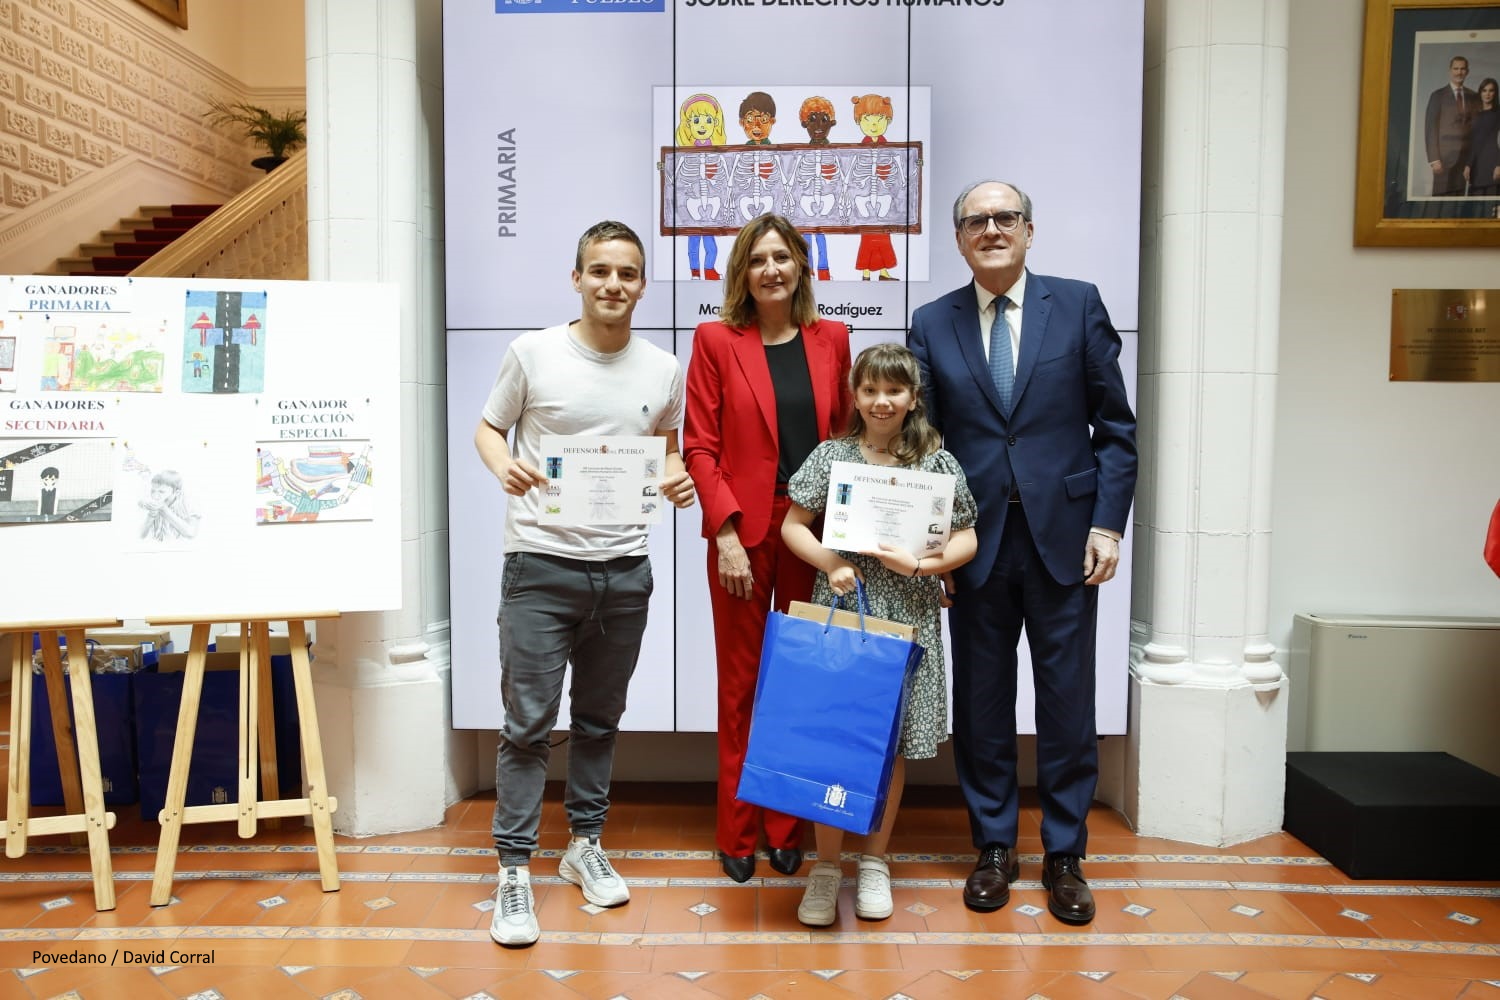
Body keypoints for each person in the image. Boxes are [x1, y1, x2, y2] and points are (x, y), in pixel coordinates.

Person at [908, 181, 1137, 925]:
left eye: (1007, 218)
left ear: (1030, 231)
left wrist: (1107, 524)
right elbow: (925, 448)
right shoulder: (931, 322)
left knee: (1068, 701)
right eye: (978, 220)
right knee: (982, 702)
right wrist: (932, 547)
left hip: (1066, 541)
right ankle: (995, 847)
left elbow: (1117, 429)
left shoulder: (1076, 304)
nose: (993, 229)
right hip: (976, 545)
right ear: (959, 238)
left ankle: (1065, 854)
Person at [474, 220, 697, 947]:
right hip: (539, 568)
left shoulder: (663, 367)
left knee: (600, 722)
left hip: (625, 572)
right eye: (599, 271)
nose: (613, 285)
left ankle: (583, 845)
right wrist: (499, 463)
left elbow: (666, 448)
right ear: (577, 278)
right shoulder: (533, 353)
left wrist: (673, 478)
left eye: (627, 274)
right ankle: (513, 869)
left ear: (641, 283)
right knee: (528, 726)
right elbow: (488, 427)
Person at [781, 342, 977, 926]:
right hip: (844, 614)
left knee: (888, 749)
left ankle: (874, 863)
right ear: (855, 396)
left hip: (909, 619)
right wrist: (830, 564)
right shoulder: (832, 457)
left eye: (894, 390)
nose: (882, 401)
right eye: (870, 390)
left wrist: (923, 567)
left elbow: (967, 538)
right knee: (833, 739)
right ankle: (825, 866)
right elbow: (793, 525)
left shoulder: (937, 462)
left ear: (913, 397)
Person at [684, 213, 852, 883]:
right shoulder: (716, 340)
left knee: (800, 682)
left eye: (782, 257)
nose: (772, 270)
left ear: (802, 267)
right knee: (741, 687)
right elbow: (699, 445)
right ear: (742, 274)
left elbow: (845, 442)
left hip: (811, 531)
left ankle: (786, 829)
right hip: (743, 534)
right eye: (758, 260)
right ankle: (737, 831)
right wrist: (724, 534)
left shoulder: (832, 338)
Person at [676, 94, 726, 280]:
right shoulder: (684, 157)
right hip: (692, 207)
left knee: (710, 243)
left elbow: (722, 179)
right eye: (696, 120)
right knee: (693, 242)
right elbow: (679, 182)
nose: (703, 126)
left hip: (710, 208)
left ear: (716, 123)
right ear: (688, 125)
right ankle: (695, 272)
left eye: (708, 120)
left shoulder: (717, 154)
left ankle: (710, 269)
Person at [851, 94, 900, 281]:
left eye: (879, 119)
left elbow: (893, 173)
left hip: (884, 200)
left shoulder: (890, 149)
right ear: (860, 121)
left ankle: (883, 272)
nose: (873, 125)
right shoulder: (857, 149)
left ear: (887, 120)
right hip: (865, 200)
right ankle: (865, 273)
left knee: (884, 238)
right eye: (867, 119)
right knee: (867, 239)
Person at [1425, 55, 1478, 196]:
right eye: (1456, 69)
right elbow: (1431, 128)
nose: (1459, 72)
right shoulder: (1438, 96)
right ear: (1450, 71)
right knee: (1440, 202)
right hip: (1443, 159)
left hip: (1465, 160)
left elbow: (1477, 130)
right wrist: (1434, 159)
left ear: (1467, 72)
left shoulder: (1474, 97)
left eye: (1462, 69)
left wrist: (1473, 160)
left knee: (1458, 203)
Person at [1464, 77, 1500, 198]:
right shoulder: (1476, 115)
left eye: (1491, 90)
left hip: (1494, 165)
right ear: (1480, 92)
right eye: (1484, 90)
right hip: (1476, 167)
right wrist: (1468, 165)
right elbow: (1475, 142)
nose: (1487, 94)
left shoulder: (1498, 113)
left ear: (1495, 93)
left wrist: (1499, 165)